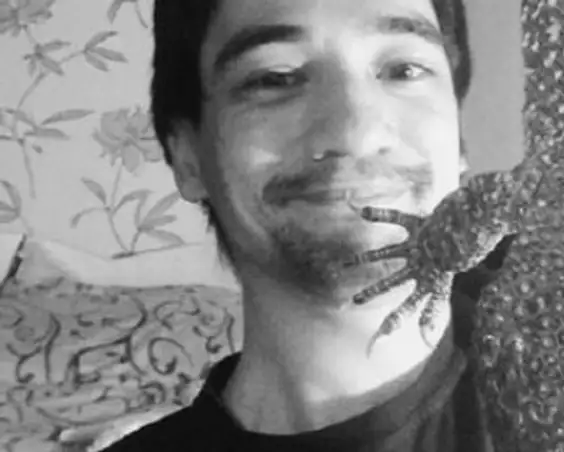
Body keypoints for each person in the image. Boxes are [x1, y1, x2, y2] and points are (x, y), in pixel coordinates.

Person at [100, 0, 514, 450]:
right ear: (188, 158)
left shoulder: (563, 344)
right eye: (275, 78)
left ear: (459, 140)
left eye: (404, 71)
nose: (355, 134)